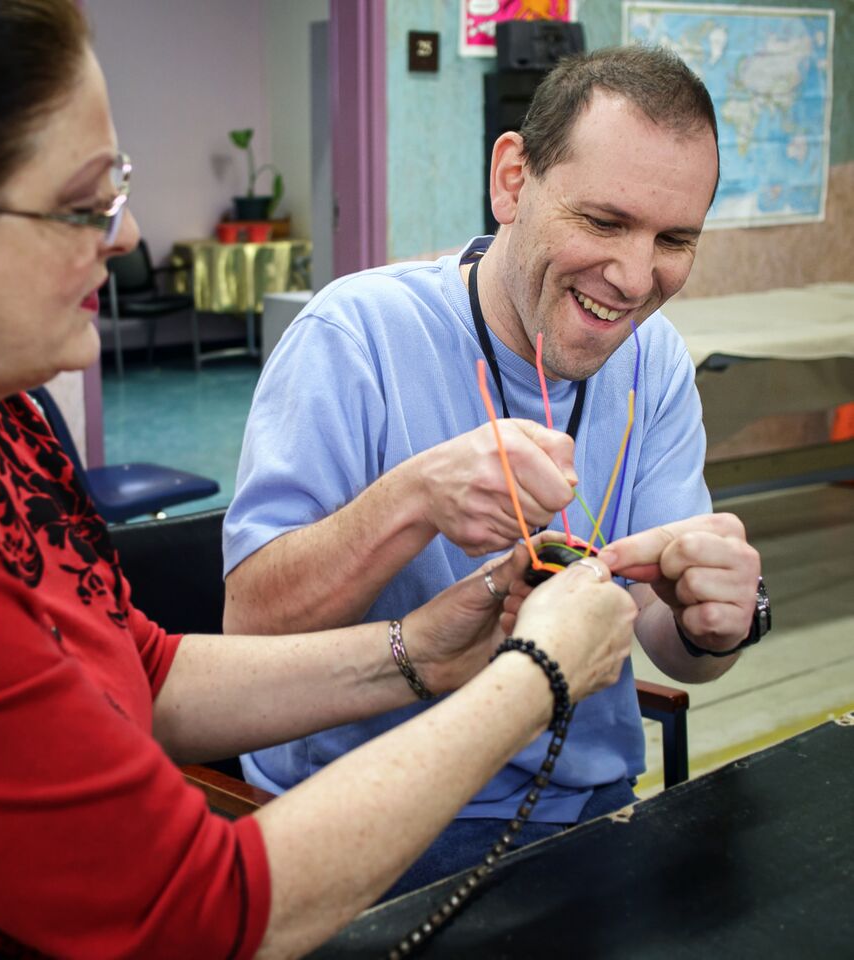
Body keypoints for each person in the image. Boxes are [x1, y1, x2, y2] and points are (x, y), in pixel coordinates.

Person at [0, 2, 638, 957]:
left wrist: (418, 651)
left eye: (118, 187)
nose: (128, 235)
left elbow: (130, 669)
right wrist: (532, 680)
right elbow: (196, 912)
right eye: (80, 204)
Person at [223, 45, 767, 895]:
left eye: (674, 239)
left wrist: (710, 620)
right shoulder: (355, 334)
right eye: (603, 222)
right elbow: (249, 627)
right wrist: (412, 501)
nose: (632, 279)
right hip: (361, 824)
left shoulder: (654, 360)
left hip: (584, 812)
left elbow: (673, 646)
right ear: (512, 179)